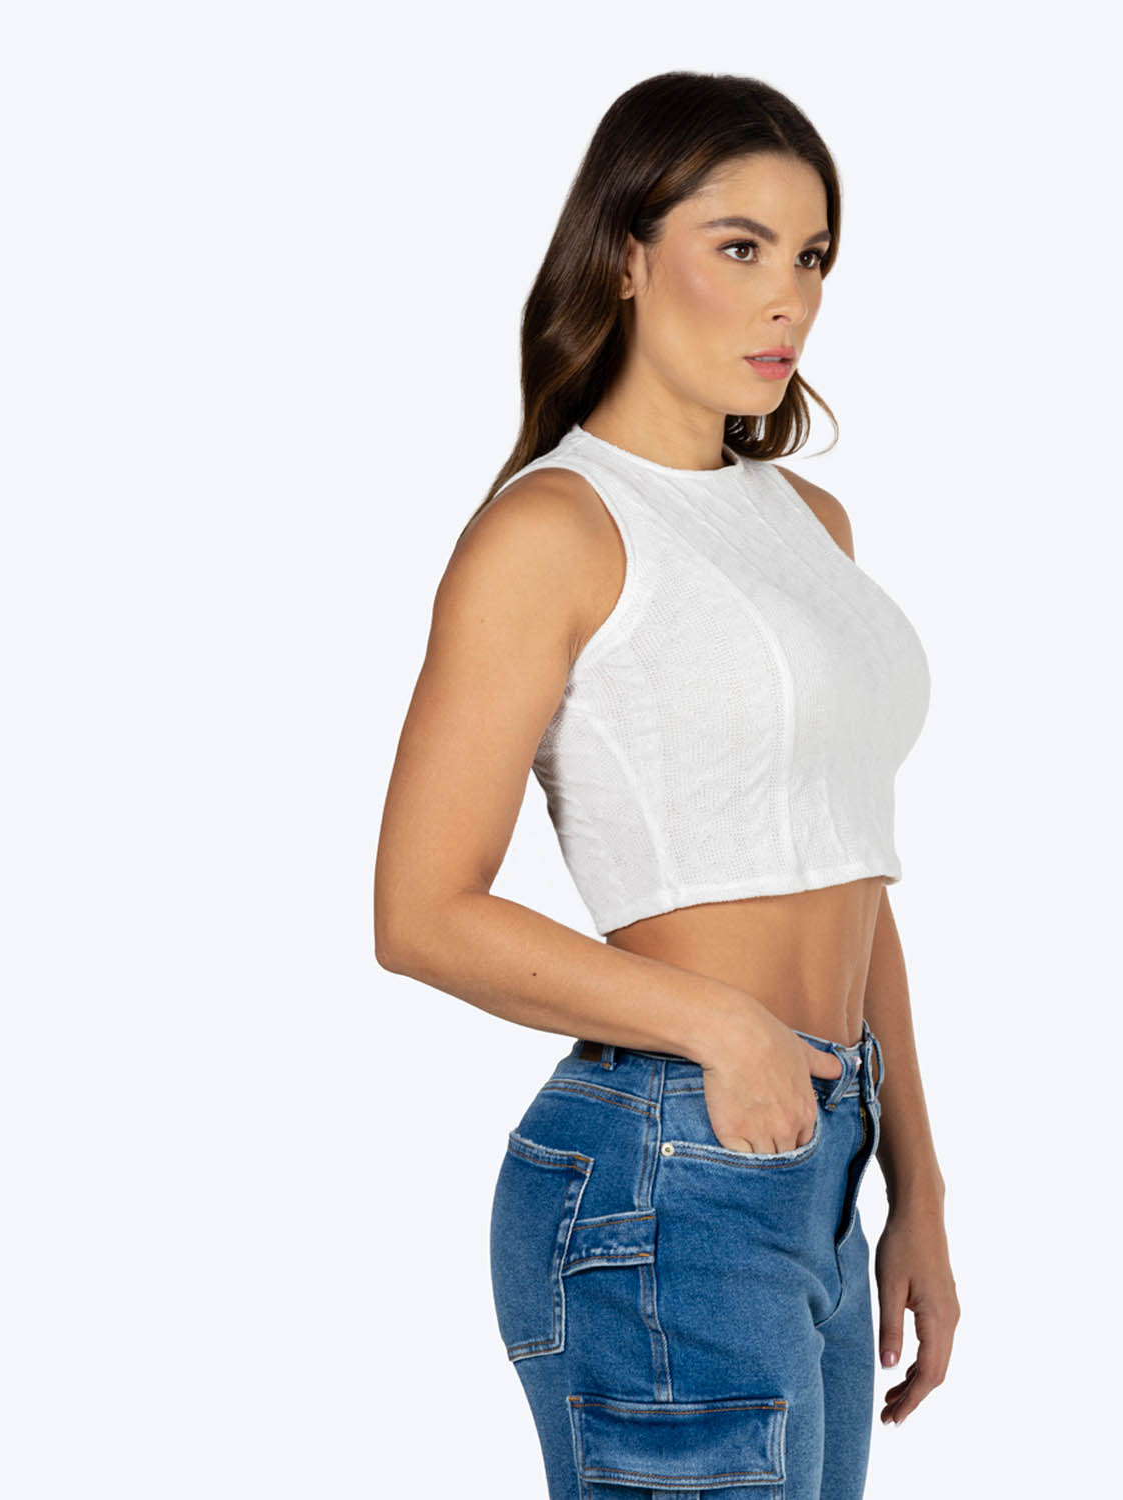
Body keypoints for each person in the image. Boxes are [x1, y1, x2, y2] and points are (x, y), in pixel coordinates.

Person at [374, 70, 958, 1499]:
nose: (787, 299)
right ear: (626, 255)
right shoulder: (554, 531)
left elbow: (850, 871)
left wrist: (917, 1186)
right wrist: (721, 1026)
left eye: (811, 256)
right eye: (739, 246)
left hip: (817, 1163)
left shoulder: (808, 519)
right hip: (668, 1172)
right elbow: (421, 912)